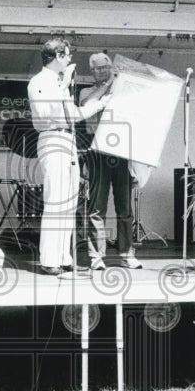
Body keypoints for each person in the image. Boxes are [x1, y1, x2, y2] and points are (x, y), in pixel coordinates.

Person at [27, 38, 109, 276]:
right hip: (52, 139)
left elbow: (73, 115)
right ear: (58, 56)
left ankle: (63, 258)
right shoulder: (40, 81)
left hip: (67, 140)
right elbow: (44, 112)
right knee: (56, 202)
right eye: (68, 55)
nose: (71, 59)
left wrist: (101, 102)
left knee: (69, 202)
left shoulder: (57, 83)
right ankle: (49, 260)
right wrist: (62, 87)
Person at [79, 52, 141, 270]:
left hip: (121, 153)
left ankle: (127, 254)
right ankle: (96, 256)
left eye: (106, 67)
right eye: (98, 68)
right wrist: (110, 83)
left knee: (125, 208)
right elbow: (86, 105)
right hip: (97, 154)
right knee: (97, 207)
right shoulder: (87, 91)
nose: (102, 71)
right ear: (92, 71)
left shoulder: (121, 88)